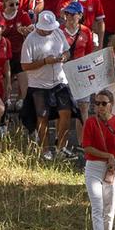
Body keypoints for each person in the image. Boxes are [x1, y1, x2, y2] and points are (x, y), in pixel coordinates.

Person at [20, 9, 76, 159]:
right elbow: (25, 65)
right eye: (47, 30)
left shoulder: (58, 33)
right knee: (42, 116)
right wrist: (45, 61)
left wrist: (64, 57)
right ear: (40, 27)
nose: (50, 31)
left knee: (66, 112)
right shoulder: (30, 40)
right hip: (39, 84)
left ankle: (61, 147)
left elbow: (67, 51)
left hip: (59, 80)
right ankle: (45, 149)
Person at [80, 89, 115, 230]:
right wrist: (107, 155)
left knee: (110, 207)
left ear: (111, 105)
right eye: (97, 103)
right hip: (94, 167)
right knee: (97, 204)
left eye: (103, 103)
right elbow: (87, 147)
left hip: (112, 168)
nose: (100, 107)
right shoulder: (90, 122)